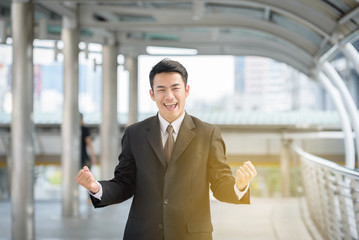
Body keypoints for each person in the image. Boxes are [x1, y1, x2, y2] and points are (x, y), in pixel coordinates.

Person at [76, 59, 257, 240]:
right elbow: (124, 183)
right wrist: (96, 187)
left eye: (175, 88)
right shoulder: (135, 133)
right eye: (161, 90)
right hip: (142, 234)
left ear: (186, 91)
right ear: (152, 94)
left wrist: (239, 185)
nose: (169, 96)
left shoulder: (207, 134)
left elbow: (219, 184)